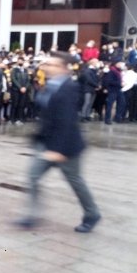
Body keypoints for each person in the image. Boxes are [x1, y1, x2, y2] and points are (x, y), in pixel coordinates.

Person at [16, 51, 101, 233]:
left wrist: (58, 150)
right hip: (46, 143)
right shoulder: (50, 85)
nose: (46, 67)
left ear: (62, 68)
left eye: (51, 64)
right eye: (46, 64)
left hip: (66, 146)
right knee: (32, 178)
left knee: (75, 181)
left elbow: (67, 120)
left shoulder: (69, 88)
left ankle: (92, 214)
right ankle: (31, 215)